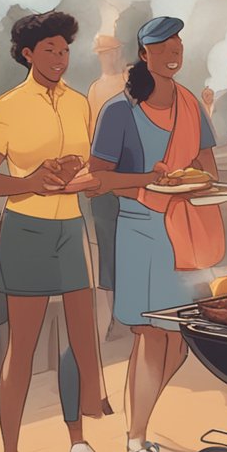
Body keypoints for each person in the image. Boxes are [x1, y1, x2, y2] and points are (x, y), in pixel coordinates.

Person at [0, 11, 105, 452]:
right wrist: (27, 182)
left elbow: (88, 171)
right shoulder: (8, 106)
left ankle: (77, 435)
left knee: (79, 337)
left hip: (70, 227)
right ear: (27, 54)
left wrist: (90, 181)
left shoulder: (78, 103)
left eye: (65, 50)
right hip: (25, 228)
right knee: (22, 348)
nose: (60, 59)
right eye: (49, 50)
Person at [89, 16, 225, 452]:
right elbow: (98, 179)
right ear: (144, 54)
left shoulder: (189, 103)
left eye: (178, 42)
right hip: (143, 230)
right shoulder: (119, 111)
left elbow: (207, 168)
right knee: (151, 337)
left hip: (186, 230)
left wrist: (213, 186)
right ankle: (135, 442)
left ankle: (141, 418)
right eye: (163, 44)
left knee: (180, 341)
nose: (174, 50)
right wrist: (150, 179)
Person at [86, 33, 126, 415]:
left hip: (129, 177)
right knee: (108, 248)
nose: (107, 57)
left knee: (133, 243)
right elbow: (89, 136)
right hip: (102, 179)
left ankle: (133, 313)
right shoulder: (95, 89)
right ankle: (116, 317)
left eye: (110, 51)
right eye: (102, 53)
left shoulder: (132, 81)